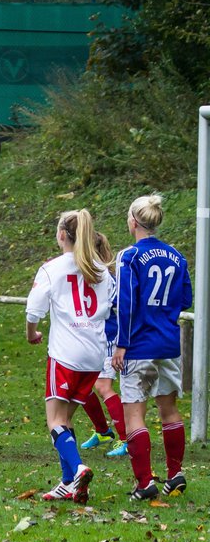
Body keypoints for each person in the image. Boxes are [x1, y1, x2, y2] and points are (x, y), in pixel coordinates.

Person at [24, 210, 113, 503]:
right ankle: (66, 482)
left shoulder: (53, 268)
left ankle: (77, 469)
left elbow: (34, 309)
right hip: (94, 354)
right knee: (66, 419)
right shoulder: (102, 269)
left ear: (62, 234)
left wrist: (31, 333)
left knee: (54, 420)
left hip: (65, 353)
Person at [111, 194, 192, 500]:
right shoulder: (177, 256)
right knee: (169, 410)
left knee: (135, 414)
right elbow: (185, 300)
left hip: (139, 345)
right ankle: (175, 474)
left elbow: (127, 303)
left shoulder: (129, 256)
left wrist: (122, 344)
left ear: (133, 222)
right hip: (169, 345)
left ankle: (144, 483)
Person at [78, 231, 129, 457]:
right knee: (82, 386)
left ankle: (127, 439)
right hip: (85, 338)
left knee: (103, 387)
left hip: (106, 337)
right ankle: (103, 432)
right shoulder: (81, 274)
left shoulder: (108, 277)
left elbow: (119, 306)